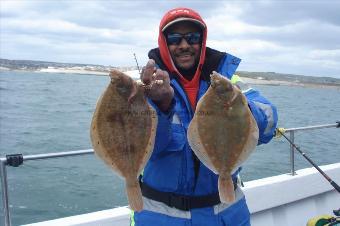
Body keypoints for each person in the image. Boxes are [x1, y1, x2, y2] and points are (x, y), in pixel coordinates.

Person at [131, 7, 278, 226]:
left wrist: (239, 106)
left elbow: (269, 124)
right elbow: (147, 147)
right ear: (164, 42)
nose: (184, 45)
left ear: (202, 40)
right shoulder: (147, 87)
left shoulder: (227, 80)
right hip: (160, 218)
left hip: (227, 215)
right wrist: (162, 104)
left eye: (192, 37)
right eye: (174, 38)